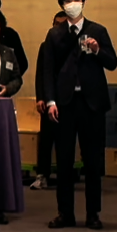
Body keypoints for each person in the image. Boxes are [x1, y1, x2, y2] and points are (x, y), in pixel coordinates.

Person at [39, 0, 117, 230]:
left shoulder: (98, 30)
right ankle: (65, 213)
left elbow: (113, 62)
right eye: (67, 0)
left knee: (93, 160)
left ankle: (93, 213)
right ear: (62, 5)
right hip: (64, 103)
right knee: (63, 160)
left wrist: (97, 50)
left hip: (92, 103)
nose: (72, 4)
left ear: (83, 2)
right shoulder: (55, 34)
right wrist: (50, 101)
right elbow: (47, 70)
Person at [30, 12, 68, 191]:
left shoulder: (73, 44)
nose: (58, 27)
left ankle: (64, 176)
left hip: (67, 99)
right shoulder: (45, 46)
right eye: (56, 24)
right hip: (48, 98)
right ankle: (42, 175)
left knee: (65, 140)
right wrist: (40, 97)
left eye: (62, 24)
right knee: (46, 139)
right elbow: (41, 72)